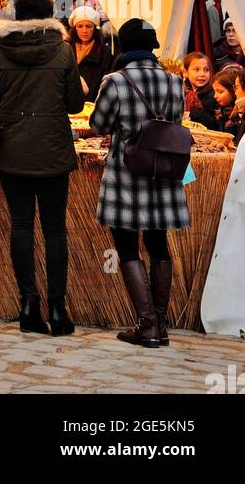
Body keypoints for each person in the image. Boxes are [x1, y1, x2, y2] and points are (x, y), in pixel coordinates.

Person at [0, 0, 84, 337]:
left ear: (17, 13)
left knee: (21, 226)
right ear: (50, 13)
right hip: (53, 149)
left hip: (12, 150)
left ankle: (28, 304)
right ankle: (57, 307)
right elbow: (74, 105)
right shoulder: (64, 50)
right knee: (55, 229)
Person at [90, 17, 190, 349]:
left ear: (125, 47)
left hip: (126, 174)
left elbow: (99, 125)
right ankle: (160, 325)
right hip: (163, 172)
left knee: (127, 245)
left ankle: (145, 325)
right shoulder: (176, 82)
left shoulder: (115, 81)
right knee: (159, 245)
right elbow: (174, 122)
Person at [67, 6, 113, 102]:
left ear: (95, 28)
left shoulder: (103, 51)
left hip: (91, 103)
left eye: (88, 26)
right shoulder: (66, 48)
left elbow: (105, 82)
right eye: (80, 26)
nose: (84, 31)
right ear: (75, 28)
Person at [181, 51, 217, 127]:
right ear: (185, 72)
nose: (202, 74)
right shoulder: (181, 91)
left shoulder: (213, 94)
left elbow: (214, 121)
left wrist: (192, 114)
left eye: (206, 70)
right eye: (197, 70)